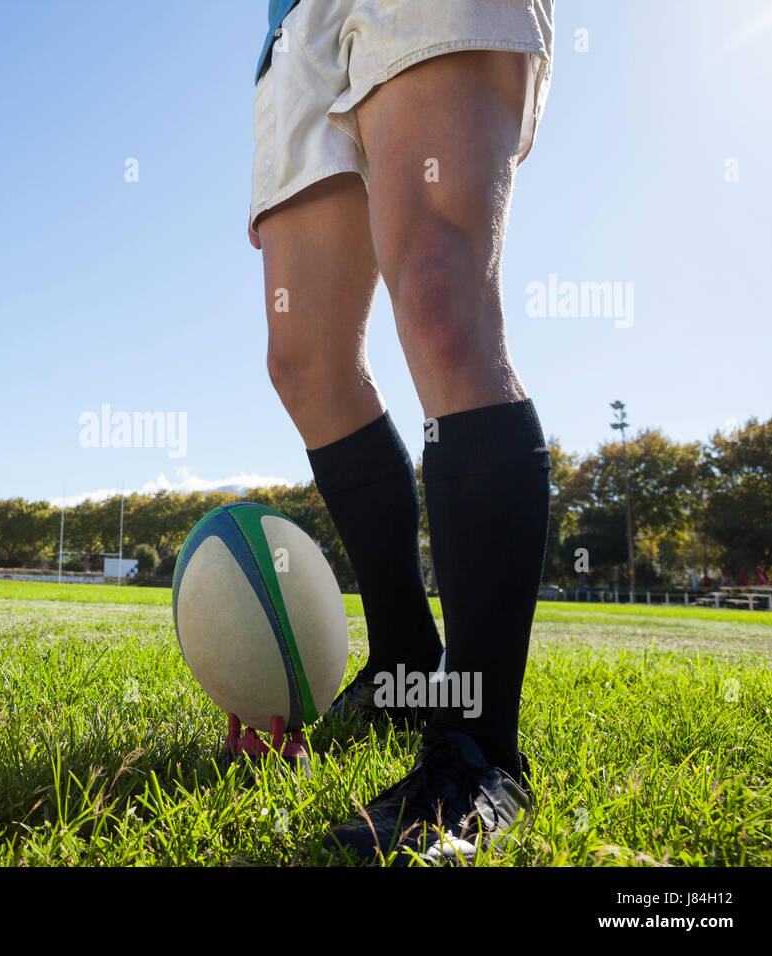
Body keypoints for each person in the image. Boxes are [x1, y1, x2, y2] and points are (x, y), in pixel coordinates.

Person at [249, 0, 554, 863]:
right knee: (305, 363)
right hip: (291, 26)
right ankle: (404, 665)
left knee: (438, 291)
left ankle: (479, 748)